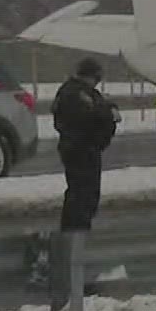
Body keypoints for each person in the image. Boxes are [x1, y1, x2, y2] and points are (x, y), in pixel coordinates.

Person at [52, 58, 120, 230]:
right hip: (81, 149)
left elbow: (100, 104)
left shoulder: (81, 91)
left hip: (83, 148)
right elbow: (89, 116)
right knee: (83, 193)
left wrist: (110, 108)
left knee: (82, 192)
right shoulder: (75, 93)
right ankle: (76, 230)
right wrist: (108, 115)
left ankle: (76, 228)